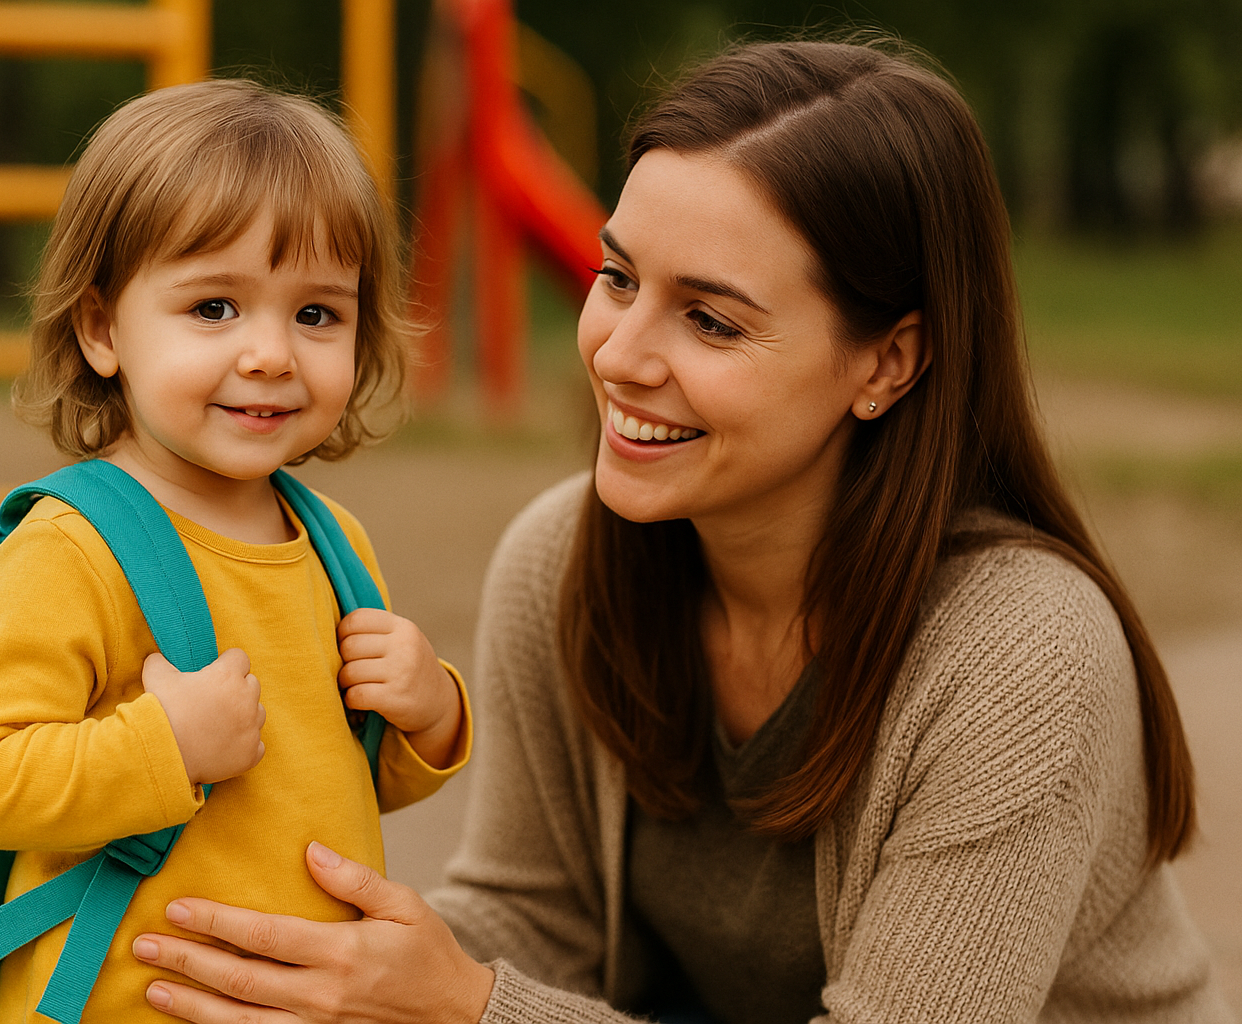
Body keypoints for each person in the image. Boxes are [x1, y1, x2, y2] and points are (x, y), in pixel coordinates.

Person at [125, 39, 1236, 1024]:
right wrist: (278, 959)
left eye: (710, 318)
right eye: (617, 277)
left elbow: (485, 993)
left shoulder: (1019, 654)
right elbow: (530, 916)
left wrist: (467, 1007)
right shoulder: (562, 558)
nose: (618, 353)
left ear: (888, 362)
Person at [0, 79, 471, 1023]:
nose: (271, 353)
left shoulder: (336, 545)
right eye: (215, 307)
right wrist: (163, 746)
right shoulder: (73, 548)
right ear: (102, 328)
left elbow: (323, 780)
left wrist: (426, 717)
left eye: (317, 314)